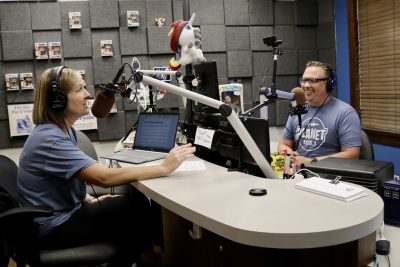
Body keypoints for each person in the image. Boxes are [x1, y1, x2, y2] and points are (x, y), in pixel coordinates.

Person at [17, 66, 196, 267]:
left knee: (130, 207)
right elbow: (102, 178)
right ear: (57, 100)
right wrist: (164, 167)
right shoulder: (49, 139)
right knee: (136, 209)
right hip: (53, 228)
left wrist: (87, 199)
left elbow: (59, 181)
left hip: (61, 215)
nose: (87, 94)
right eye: (79, 89)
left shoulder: (63, 131)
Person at [278, 61, 361, 169]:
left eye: (313, 80)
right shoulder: (297, 109)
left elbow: (352, 155)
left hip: (328, 177)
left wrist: (311, 162)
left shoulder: (345, 113)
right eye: (304, 80)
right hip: (298, 173)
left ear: (328, 84)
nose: (306, 85)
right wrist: (289, 155)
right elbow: (283, 144)